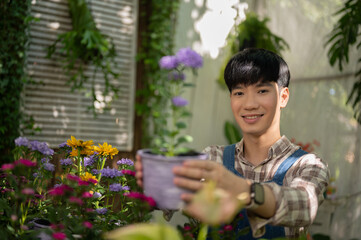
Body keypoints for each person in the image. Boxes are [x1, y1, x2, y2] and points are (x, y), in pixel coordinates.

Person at [136, 48, 329, 239]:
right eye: (239, 93)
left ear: (283, 97)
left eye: (262, 91)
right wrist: (153, 183)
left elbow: (304, 205)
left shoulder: (307, 165)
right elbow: (170, 196)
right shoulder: (213, 158)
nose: (249, 104)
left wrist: (245, 191)